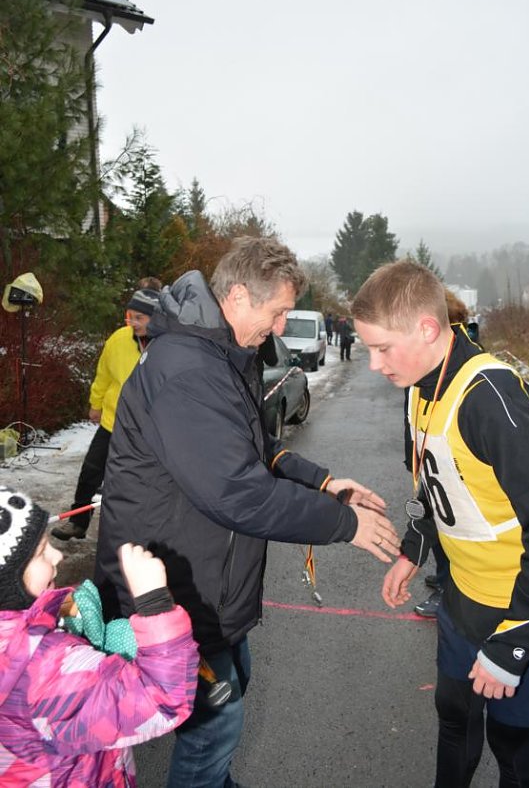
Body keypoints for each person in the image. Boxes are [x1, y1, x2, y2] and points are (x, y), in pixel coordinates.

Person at [94, 236, 400, 788]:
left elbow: (255, 451)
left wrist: (324, 483)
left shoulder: (224, 356)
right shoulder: (188, 371)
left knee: (228, 700)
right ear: (236, 296)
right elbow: (238, 492)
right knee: (215, 725)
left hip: (210, 581)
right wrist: (345, 525)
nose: (282, 327)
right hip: (172, 585)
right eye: (277, 311)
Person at [352, 260, 529, 788]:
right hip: (462, 599)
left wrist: (512, 645)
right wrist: (413, 550)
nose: (373, 365)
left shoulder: (493, 401)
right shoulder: (420, 385)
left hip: (523, 607)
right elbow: (437, 483)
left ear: (428, 329)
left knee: (510, 739)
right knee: (454, 716)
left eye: (382, 348)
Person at [0, 486, 199, 786]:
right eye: (40, 553)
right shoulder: (42, 668)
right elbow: (163, 701)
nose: (58, 555)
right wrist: (154, 602)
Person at [51, 285, 161, 540]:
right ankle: (78, 522)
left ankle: (134, 533)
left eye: (139, 318)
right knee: (90, 472)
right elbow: (103, 375)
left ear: (155, 318)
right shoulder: (118, 339)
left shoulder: (166, 347)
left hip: (146, 430)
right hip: (113, 423)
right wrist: (96, 403)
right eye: (129, 316)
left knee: (135, 482)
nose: (132, 322)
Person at [411, 288, 471, 619]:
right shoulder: (429, 367)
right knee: (434, 527)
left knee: (449, 530)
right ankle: (445, 578)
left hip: (448, 471)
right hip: (428, 464)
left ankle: (448, 591)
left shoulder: (461, 372)